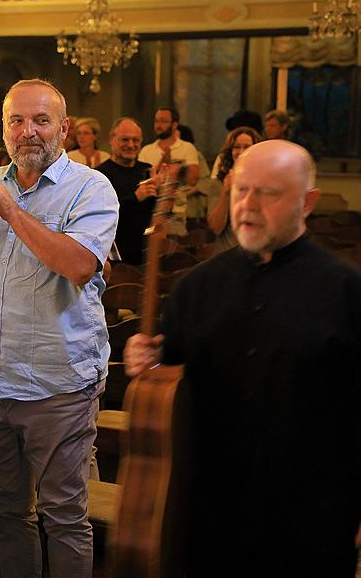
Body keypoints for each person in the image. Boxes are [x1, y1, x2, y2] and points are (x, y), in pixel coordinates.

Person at [123, 139, 360, 577]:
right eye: (240, 190)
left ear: (307, 203)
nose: (248, 205)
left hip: (310, 520)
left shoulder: (345, 290)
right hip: (210, 516)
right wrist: (145, 360)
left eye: (268, 193)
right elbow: (170, 374)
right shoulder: (197, 286)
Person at [0, 79, 119, 578]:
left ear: (63, 128)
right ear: (4, 129)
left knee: (63, 515)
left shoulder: (90, 187)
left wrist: (11, 211)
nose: (28, 132)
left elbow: (79, 265)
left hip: (58, 381)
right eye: (17, 121)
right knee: (6, 510)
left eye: (41, 121)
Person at [96, 117, 155, 265]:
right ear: (112, 139)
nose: (131, 145)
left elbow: (154, 213)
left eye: (136, 140)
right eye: (125, 140)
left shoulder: (147, 170)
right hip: (116, 255)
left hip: (146, 250)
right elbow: (101, 217)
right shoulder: (99, 175)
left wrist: (165, 193)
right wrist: (135, 197)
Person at [206, 126, 262, 252]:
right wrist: (225, 193)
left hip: (257, 253)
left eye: (247, 147)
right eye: (236, 147)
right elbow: (215, 228)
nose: (241, 152)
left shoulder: (264, 183)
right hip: (227, 254)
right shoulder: (217, 184)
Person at [138, 107, 199, 187]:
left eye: (163, 121)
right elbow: (141, 180)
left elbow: (193, 180)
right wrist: (162, 163)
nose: (158, 125)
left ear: (174, 125)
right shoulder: (146, 150)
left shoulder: (187, 148)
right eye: (156, 121)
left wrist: (177, 169)